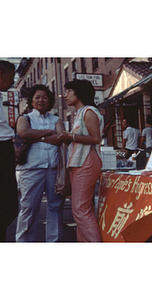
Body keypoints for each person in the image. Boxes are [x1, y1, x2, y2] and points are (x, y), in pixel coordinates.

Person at [15, 85, 65, 242]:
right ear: (31, 100)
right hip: (31, 169)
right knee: (29, 208)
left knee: (55, 207)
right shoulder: (25, 118)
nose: (41, 100)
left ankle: (53, 242)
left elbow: (60, 138)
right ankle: (24, 243)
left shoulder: (56, 119)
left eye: (44, 97)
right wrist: (49, 132)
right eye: (37, 97)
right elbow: (24, 133)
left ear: (50, 100)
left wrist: (38, 137)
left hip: (53, 169)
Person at [58, 79, 102, 242]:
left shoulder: (89, 112)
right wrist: (69, 138)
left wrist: (71, 136)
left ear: (79, 93)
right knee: (84, 208)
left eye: (69, 91)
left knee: (80, 209)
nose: (66, 95)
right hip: (78, 161)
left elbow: (95, 138)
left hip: (86, 161)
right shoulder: (79, 113)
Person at [0, 60, 18, 242]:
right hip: (2, 149)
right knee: (7, 206)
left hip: (5, 149)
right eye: (12, 76)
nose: (13, 82)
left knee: (9, 206)